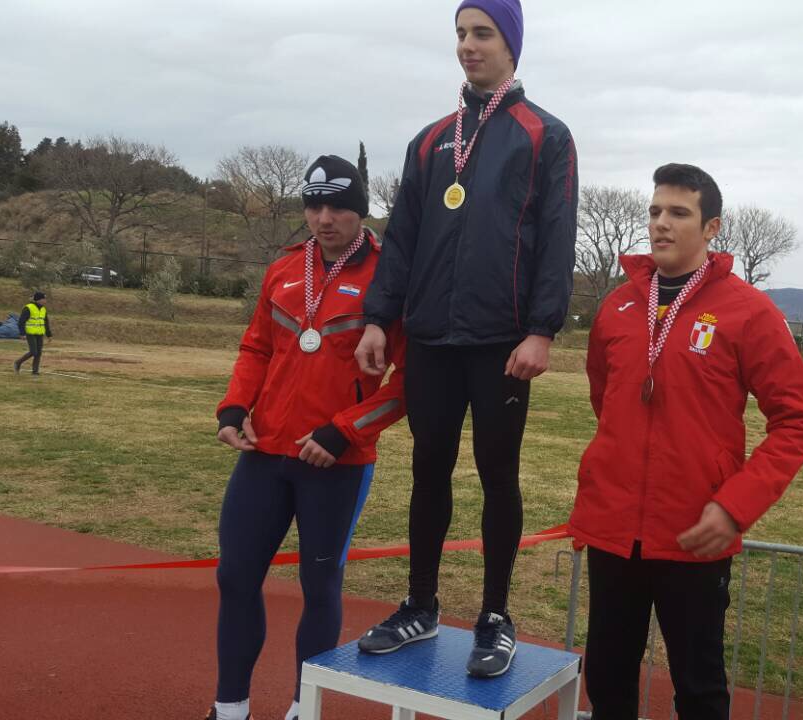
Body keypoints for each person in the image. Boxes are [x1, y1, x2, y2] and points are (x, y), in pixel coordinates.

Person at [354, 0, 577, 679]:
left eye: (482, 33)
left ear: (511, 44)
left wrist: (541, 330)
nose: (468, 45)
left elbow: (557, 237)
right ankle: (421, 605)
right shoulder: (430, 141)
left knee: (497, 474)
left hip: (501, 340)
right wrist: (377, 317)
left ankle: (495, 617)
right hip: (430, 336)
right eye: (460, 34)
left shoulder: (545, 135)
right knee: (429, 468)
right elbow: (402, 239)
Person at [569, 164, 803, 719]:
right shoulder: (617, 306)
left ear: (711, 228)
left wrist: (735, 506)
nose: (661, 223)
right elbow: (606, 400)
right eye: (655, 211)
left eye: (678, 213)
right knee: (607, 679)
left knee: (699, 688)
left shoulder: (748, 311)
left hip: (694, 533)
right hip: (614, 530)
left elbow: (800, 420)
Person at [206, 155, 408, 720]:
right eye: (315, 206)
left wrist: (346, 432)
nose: (324, 218)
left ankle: (304, 708)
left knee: (319, 584)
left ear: (360, 210)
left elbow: (410, 382)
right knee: (235, 576)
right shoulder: (285, 267)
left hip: (336, 463)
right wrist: (234, 407)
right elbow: (256, 347)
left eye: (338, 207)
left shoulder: (390, 277)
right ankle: (230, 708)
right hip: (265, 453)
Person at [14, 291, 51, 375]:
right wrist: (22, 333)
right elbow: (21, 322)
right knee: (34, 352)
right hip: (30, 333)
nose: (45, 300)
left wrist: (49, 335)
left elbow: (46, 322)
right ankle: (18, 362)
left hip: (40, 333)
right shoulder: (28, 308)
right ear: (39, 299)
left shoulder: (43, 309)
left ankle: (35, 371)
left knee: (39, 353)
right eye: (44, 299)